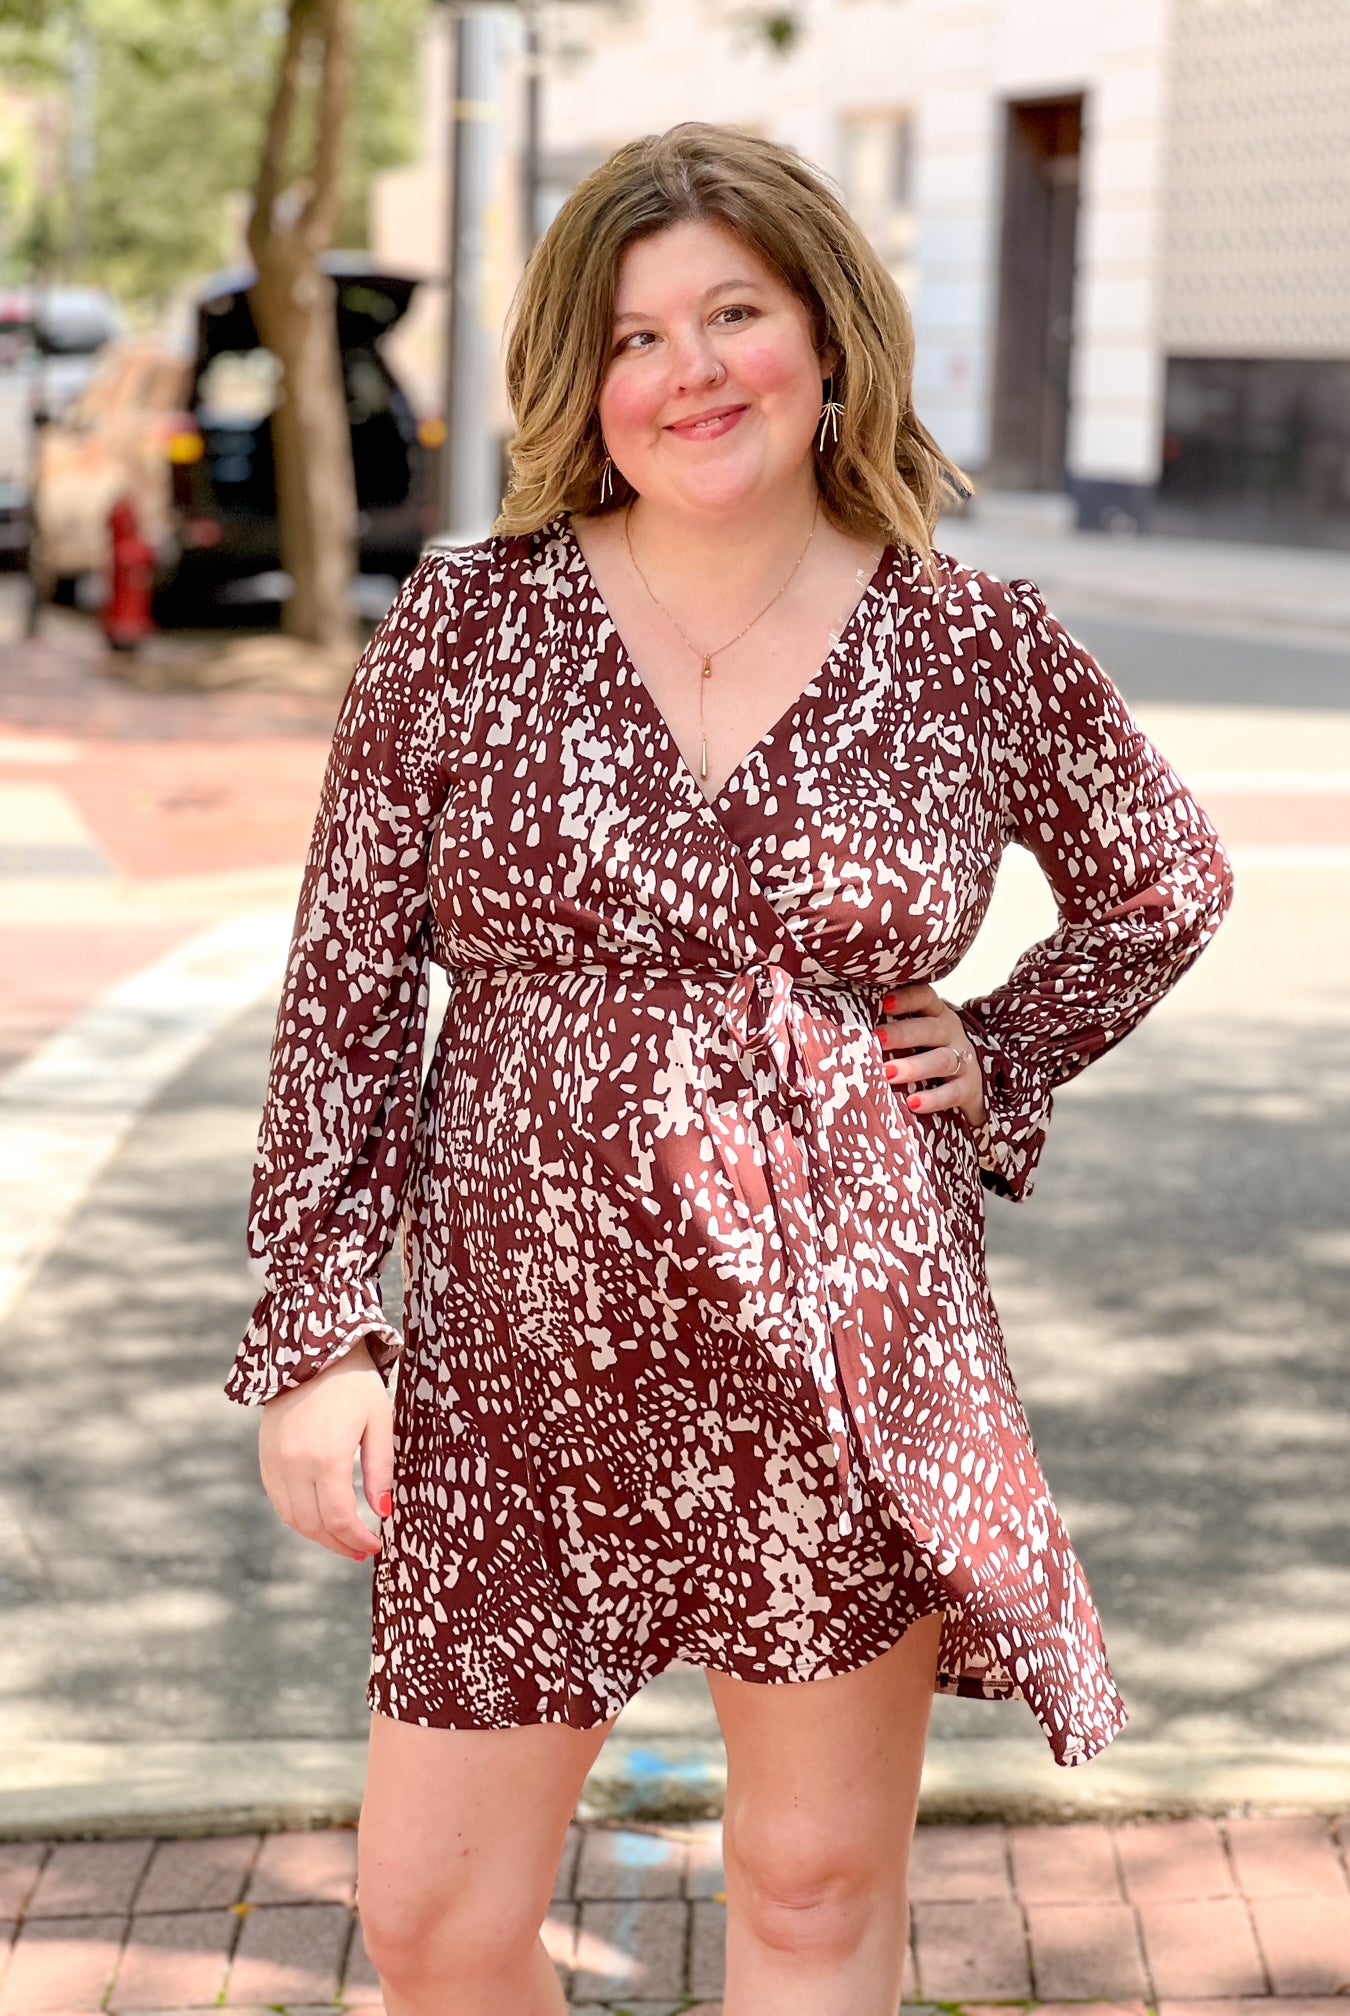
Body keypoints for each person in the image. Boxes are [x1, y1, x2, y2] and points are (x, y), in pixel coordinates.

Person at [226, 122, 1234, 2016]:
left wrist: (1000, 1049)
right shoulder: (467, 631)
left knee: (805, 1890)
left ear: (826, 340)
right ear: (575, 380)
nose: (684, 373)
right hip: (515, 1369)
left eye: (730, 314)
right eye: (628, 338)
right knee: (433, 1917)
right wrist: (316, 1335)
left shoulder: (968, 642)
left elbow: (1163, 879)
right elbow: (345, 991)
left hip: (843, 1362)